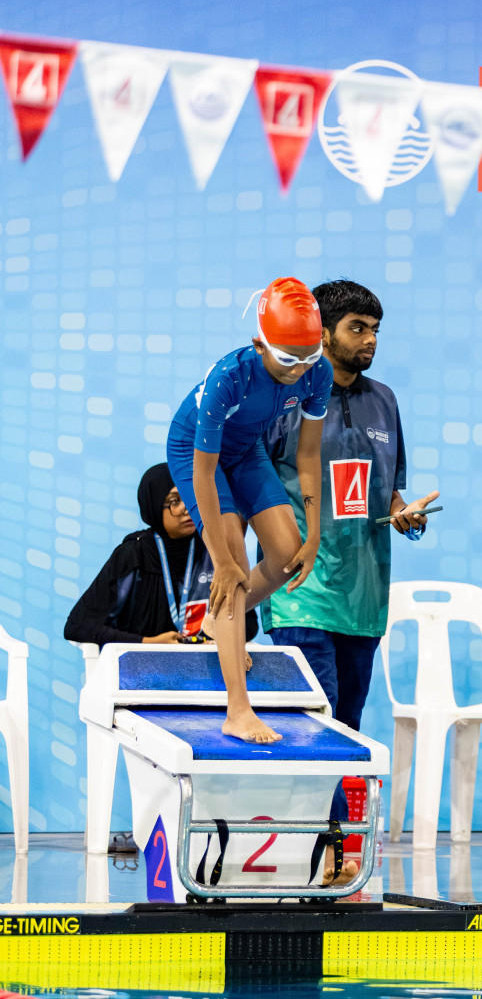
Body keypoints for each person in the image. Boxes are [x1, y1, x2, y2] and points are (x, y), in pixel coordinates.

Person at [260, 279, 436, 877]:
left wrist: (403, 515)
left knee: (346, 726)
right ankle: (327, 850)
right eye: (357, 328)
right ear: (323, 333)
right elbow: (253, 483)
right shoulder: (285, 398)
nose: (370, 341)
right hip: (299, 590)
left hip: (364, 596)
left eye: (375, 330)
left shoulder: (385, 400)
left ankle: (325, 850)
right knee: (318, 721)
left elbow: (388, 493)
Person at [166, 276, 331, 744]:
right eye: (288, 359)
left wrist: (314, 534)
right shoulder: (229, 377)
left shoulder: (316, 372)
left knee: (287, 555)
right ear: (259, 344)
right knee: (235, 566)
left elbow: (308, 455)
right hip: (196, 454)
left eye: (309, 356)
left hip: (245, 451)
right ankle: (237, 711)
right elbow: (204, 472)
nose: (299, 369)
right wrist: (221, 561)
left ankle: (221, 618)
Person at [64, 463, 257, 646]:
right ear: (154, 505)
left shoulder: (214, 551)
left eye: (190, 497)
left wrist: (211, 637)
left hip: (204, 664)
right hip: (140, 664)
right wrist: (147, 643)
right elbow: (78, 626)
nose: (186, 508)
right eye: (175, 501)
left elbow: (248, 623)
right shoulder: (133, 554)